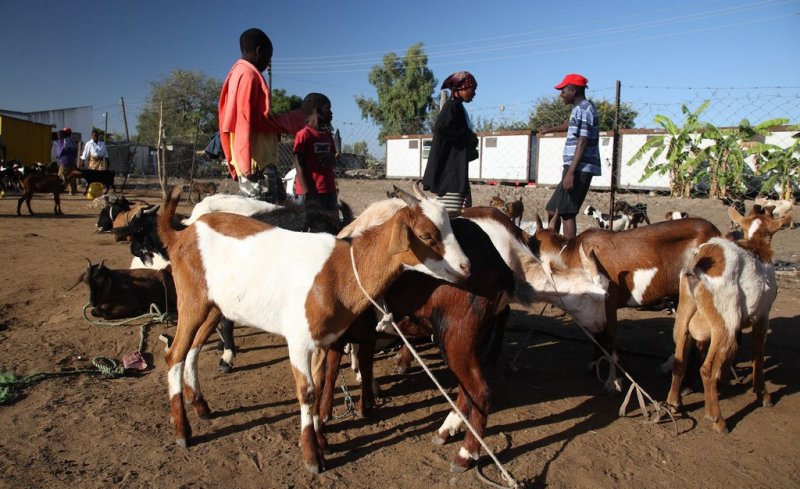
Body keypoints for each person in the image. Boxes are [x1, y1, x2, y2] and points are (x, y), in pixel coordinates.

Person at [219, 27, 305, 202]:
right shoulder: (249, 75)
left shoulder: (236, 73)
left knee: (279, 208)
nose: (268, 64)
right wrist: (245, 165)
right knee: (264, 220)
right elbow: (245, 121)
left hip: (254, 163)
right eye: (268, 58)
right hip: (257, 165)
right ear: (259, 51)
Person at [538, 73, 600, 239]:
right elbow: (570, 125)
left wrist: (571, 172)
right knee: (553, 208)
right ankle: (555, 244)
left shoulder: (585, 109)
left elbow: (583, 141)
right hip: (575, 166)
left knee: (566, 212)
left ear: (573, 91)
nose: (561, 94)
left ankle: (568, 252)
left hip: (578, 167)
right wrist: (549, 129)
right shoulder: (580, 109)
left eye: (563, 90)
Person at [421, 71, 479, 214]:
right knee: (450, 219)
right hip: (450, 177)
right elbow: (442, 128)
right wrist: (468, 136)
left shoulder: (457, 107)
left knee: (453, 217)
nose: (474, 93)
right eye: (473, 89)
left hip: (452, 175)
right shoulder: (453, 107)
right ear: (462, 88)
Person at [293, 93, 338, 211]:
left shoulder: (328, 135)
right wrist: (306, 192)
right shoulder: (304, 135)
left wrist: (332, 157)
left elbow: (334, 159)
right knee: (310, 225)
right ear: (317, 110)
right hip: (310, 193)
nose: (332, 113)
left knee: (330, 224)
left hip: (329, 191)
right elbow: (298, 164)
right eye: (328, 108)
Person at [56, 128, 79, 195]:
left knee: (60, 175)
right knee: (71, 175)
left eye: (59, 135)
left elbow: (61, 150)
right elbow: (75, 150)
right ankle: (72, 191)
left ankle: (57, 189)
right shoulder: (72, 140)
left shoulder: (63, 141)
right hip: (72, 161)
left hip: (65, 161)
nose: (58, 137)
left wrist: (59, 155)